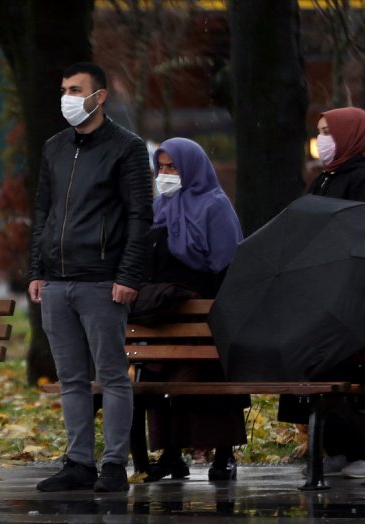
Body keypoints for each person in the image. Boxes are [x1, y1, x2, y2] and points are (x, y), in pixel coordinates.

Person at [28, 62, 154, 493]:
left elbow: (140, 215)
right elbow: (42, 212)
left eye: (75, 89)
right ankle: (78, 462)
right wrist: (36, 271)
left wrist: (128, 273)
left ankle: (115, 464)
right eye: (63, 88)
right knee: (72, 380)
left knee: (113, 375)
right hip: (58, 281)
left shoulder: (127, 148)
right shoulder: (54, 148)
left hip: (103, 280)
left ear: (98, 97)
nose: (66, 96)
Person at [281, 106, 365, 479]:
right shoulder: (325, 179)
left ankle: (362, 452)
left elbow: (361, 238)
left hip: (349, 299)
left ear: (350, 135)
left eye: (329, 131)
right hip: (317, 297)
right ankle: (335, 448)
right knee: (309, 361)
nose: (322, 140)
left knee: (344, 367)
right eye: (319, 131)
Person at [140, 138, 247, 482]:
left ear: (191, 168)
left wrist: (210, 313)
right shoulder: (159, 208)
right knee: (162, 381)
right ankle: (171, 453)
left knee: (212, 382)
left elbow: (227, 265)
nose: (166, 174)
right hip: (164, 316)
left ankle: (224, 454)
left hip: (204, 316)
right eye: (163, 167)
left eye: (174, 167)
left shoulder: (214, 207)